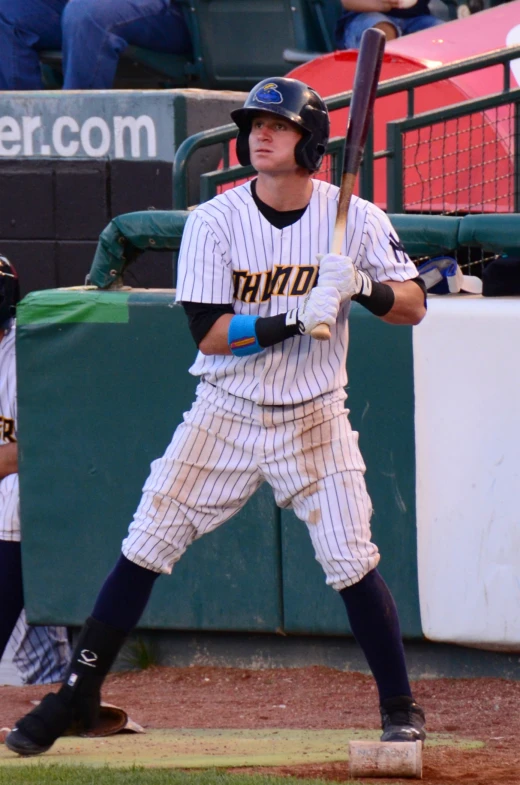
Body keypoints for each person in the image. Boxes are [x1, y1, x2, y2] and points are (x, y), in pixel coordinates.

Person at [6, 76, 428, 757]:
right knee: (147, 539)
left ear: (309, 141)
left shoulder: (357, 218)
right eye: (253, 123)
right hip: (224, 410)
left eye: (278, 125)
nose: (259, 133)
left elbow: (413, 304)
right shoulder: (214, 220)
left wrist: (362, 286)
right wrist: (295, 314)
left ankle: (401, 707)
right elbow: (207, 332)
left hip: (314, 413)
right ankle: (76, 693)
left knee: (351, 555)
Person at [0, 256, 71, 686]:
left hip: (26, 503)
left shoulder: (25, 354)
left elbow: (37, 450)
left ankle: (53, 687)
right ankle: (53, 685)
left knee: (16, 497)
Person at [0, 0, 192, 90]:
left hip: (179, 11)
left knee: (87, 14)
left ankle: (73, 140)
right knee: (8, 12)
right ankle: (26, 135)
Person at [336, 0, 444, 49]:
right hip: (365, 16)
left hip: (418, 18)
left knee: (447, 37)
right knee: (382, 33)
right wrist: (379, 4)